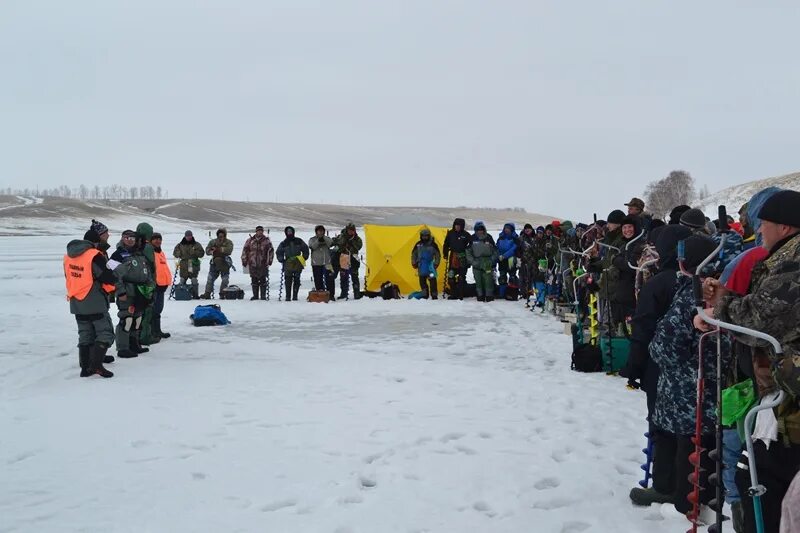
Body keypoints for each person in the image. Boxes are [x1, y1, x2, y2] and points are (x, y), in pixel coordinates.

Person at [701, 189, 800, 533]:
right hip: (783, 399)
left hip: (791, 405)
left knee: (762, 487)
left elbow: (762, 318)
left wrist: (719, 310)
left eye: (765, 223)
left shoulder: (794, 261)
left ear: (785, 226)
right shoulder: (780, 258)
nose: (759, 230)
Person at [649, 234, 730, 523]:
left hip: (692, 392)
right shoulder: (717, 287)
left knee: (693, 453)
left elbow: (664, 348)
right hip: (703, 390)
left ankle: (687, 510)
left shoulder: (695, 294)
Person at [626, 224, 692, 506]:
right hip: (698, 369)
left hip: (661, 365)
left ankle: (665, 485)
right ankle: (691, 489)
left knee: (663, 427)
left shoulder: (658, 282)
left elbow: (643, 328)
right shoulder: (707, 281)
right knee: (693, 430)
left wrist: (634, 367)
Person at [64, 230, 117, 378]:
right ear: (95, 242)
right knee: (105, 333)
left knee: (85, 334)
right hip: (94, 301)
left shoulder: (68, 256)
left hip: (76, 301)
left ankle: (85, 367)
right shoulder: (94, 255)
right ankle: (96, 366)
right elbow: (107, 277)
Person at [110, 230, 154, 359]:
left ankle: (134, 344)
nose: (130, 240)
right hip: (127, 292)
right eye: (127, 237)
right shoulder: (117, 255)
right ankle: (122, 347)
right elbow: (113, 275)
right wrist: (120, 291)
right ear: (122, 238)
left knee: (137, 319)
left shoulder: (139, 254)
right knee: (127, 319)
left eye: (132, 238)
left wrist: (150, 287)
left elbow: (148, 273)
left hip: (140, 291)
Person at [276, 226, 309, 302]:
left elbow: (305, 249)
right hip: (288, 263)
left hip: (298, 262)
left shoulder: (299, 241)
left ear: (293, 232)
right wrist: (281, 259)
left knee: (297, 279)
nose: (289, 233)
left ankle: (295, 296)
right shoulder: (283, 243)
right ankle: (288, 296)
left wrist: (304, 258)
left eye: (291, 231)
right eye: (288, 231)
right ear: (286, 233)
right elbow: (279, 252)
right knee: (288, 279)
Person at [467, 221, 498, 302]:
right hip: (476, 261)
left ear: (484, 230)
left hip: (487, 261)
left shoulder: (489, 238)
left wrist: (491, 261)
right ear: (475, 230)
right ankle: (480, 296)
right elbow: (468, 252)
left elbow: (495, 251)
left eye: (481, 229)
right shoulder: (472, 238)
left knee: (488, 280)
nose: (480, 231)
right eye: (478, 230)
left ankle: (489, 296)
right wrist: (473, 262)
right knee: (478, 280)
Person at [241, 225, 274, 300]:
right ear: (256, 231)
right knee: (254, 280)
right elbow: (245, 250)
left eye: (261, 231)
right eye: (258, 231)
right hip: (252, 263)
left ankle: (263, 296)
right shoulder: (250, 240)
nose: (260, 232)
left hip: (263, 263)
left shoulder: (266, 241)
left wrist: (269, 261)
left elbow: (271, 251)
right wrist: (244, 260)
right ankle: (255, 296)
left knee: (263, 280)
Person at [331, 223, 363, 300]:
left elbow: (359, 247)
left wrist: (352, 243)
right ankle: (344, 293)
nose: (351, 232)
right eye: (350, 230)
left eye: (353, 230)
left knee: (354, 276)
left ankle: (356, 293)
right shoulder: (341, 237)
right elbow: (334, 243)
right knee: (344, 276)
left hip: (353, 259)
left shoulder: (357, 239)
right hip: (343, 258)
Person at [443, 218, 471, 300]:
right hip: (453, 257)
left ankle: (460, 294)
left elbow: (471, 245)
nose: (457, 227)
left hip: (463, 257)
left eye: (459, 226)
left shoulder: (466, 235)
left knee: (461, 277)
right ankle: (454, 293)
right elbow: (446, 244)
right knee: (451, 277)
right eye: (456, 225)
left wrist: (468, 260)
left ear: (462, 226)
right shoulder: (450, 233)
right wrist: (445, 254)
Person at [201, 228, 234, 299]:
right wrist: (211, 250)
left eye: (222, 236)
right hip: (214, 262)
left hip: (225, 262)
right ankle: (207, 293)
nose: (220, 237)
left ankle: (223, 293)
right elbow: (207, 251)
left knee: (225, 279)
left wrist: (219, 249)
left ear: (225, 236)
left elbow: (229, 250)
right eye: (219, 236)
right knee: (210, 278)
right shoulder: (212, 242)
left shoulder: (228, 242)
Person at [150, 233, 172, 340]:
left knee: (158, 309)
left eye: (159, 239)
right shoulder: (151, 253)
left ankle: (157, 330)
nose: (158, 241)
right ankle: (152, 332)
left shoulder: (160, 252)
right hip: (155, 285)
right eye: (155, 239)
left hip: (162, 286)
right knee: (153, 310)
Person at [173, 230, 205, 299]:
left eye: (190, 236)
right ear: (185, 236)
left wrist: (195, 252)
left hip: (192, 263)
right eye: (188, 236)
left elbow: (202, 253)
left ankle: (195, 295)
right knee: (182, 279)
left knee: (193, 279)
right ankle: (182, 294)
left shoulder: (196, 244)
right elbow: (175, 253)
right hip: (183, 263)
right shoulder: (180, 245)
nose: (189, 237)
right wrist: (178, 253)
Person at [411, 228, 441, 299]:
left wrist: (436, 264)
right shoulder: (418, 244)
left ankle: (434, 295)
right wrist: (414, 262)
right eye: (423, 236)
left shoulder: (433, 245)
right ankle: (425, 294)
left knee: (432, 281)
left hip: (430, 266)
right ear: (421, 236)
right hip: (421, 266)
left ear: (429, 236)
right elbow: (414, 254)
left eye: (426, 236)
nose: (424, 237)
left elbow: (437, 255)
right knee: (422, 281)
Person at [308, 225, 335, 299]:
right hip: (316, 263)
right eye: (319, 231)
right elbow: (312, 246)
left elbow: (331, 244)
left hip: (327, 262)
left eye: (322, 231)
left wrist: (324, 238)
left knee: (330, 279)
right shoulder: (312, 239)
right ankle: (320, 294)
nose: (320, 232)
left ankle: (331, 295)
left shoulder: (327, 239)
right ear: (316, 232)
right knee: (318, 279)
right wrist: (318, 240)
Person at [496, 223, 519, 288]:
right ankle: (502, 293)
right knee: (502, 276)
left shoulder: (515, 238)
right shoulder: (500, 238)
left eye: (508, 228)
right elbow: (497, 248)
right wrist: (499, 256)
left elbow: (513, 249)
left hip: (511, 259)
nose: (507, 230)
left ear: (512, 229)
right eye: (505, 228)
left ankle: (512, 293)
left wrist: (504, 256)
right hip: (501, 259)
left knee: (512, 276)